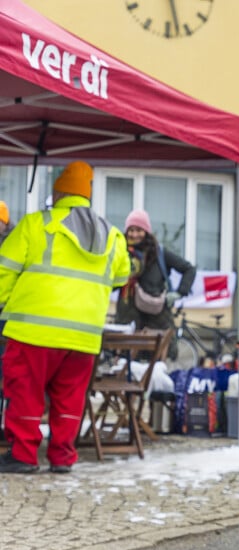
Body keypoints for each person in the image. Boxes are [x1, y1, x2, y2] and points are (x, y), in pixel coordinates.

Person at [0, 161, 131, 474]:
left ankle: (24, 455)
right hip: (84, 336)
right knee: (70, 397)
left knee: (25, 391)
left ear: (58, 193)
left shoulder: (35, 224)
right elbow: (121, 277)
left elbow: (4, 270)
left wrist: (6, 304)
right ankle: (62, 457)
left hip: (33, 330)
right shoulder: (113, 236)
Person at [115, 209, 196, 361]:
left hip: (157, 320)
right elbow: (113, 282)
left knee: (156, 368)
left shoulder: (159, 253)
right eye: (131, 230)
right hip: (128, 318)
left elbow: (189, 269)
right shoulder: (121, 253)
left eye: (139, 230)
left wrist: (179, 292)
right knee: (126, 368)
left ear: (146, 231)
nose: (134, 234)